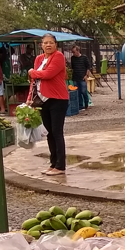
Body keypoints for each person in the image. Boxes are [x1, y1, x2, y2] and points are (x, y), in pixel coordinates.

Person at [29, 33, 69, 176]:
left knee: (57, 132)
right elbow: (35, 81)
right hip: (42, 99)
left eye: (51, 42)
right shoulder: (39, 59)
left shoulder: (58, 57)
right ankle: (53, 164)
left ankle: (60, 165)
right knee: (49, 133)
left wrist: (32, 72)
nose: (48, 45)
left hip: (58, 99)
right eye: (45, 42)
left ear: (55, 44)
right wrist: (30, 98)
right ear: (41, 45)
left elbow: (48, 74)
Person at [69, 46, 93, 111]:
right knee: (78, 92)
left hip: (82, 77)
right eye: (72, 52)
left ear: (78, 51)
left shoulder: (84, 58)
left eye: (74, 52)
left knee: (84, 91)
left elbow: (88, 67)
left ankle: (86, 104)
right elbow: (73, 67)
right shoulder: (73, 58)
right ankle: (80, 106)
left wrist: (86, 76)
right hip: (75, 77)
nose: (73, 53)